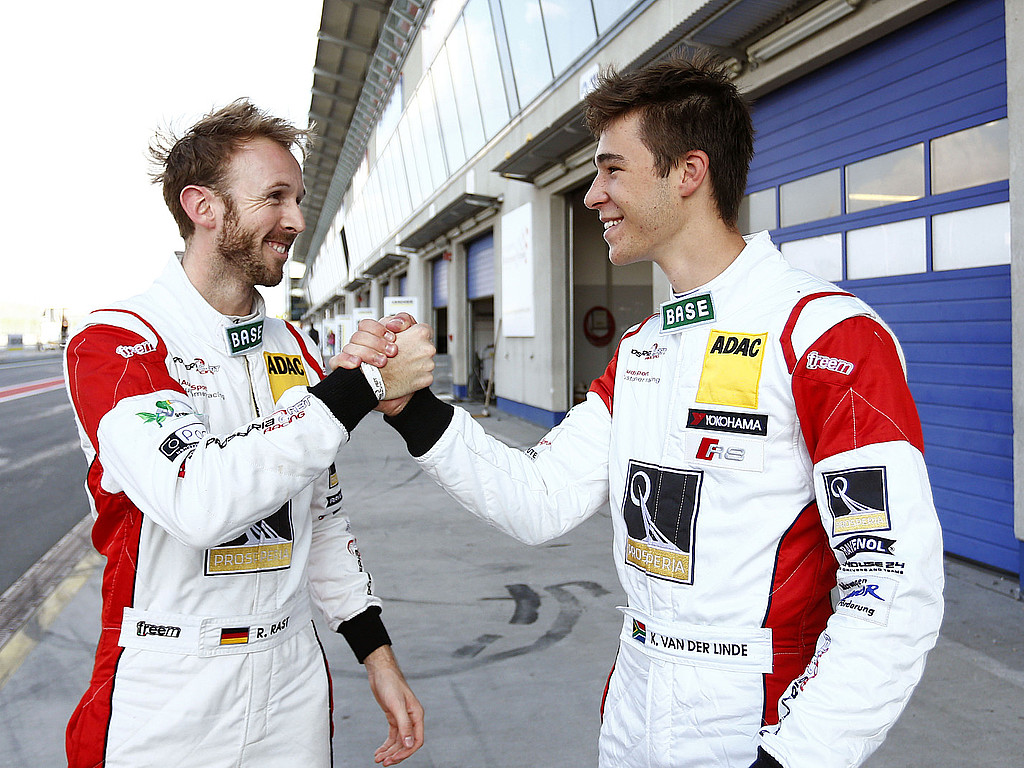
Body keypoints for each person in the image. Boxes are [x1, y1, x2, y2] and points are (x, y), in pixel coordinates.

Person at [345, 55, 944, 768]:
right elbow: (539, 500)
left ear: (688, 173)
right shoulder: (643, 349)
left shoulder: (825, 334)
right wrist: (413, 409)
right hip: (635, 705)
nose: (592, 194)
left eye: (612, 169)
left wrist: (798, 756)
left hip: (758, 718)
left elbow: (892, 583)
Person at [62, 99, 434, 768]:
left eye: (298, 199)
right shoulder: (118, 341)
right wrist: (358, 388)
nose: (297, 220)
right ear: (202, 207)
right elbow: (196, 498)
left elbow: (321, 518)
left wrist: (375, 653)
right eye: (275, 197)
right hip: (170, 681)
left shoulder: (293, 345)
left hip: (291, 675)